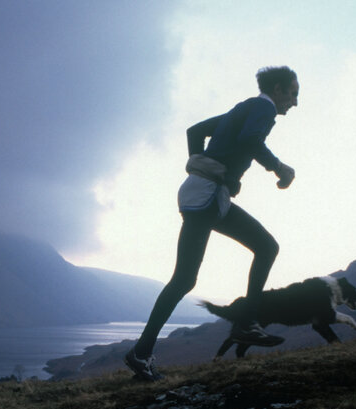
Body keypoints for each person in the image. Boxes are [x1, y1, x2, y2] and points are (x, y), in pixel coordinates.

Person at [125, 65, 299, 381]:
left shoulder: (243, 109)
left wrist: (205, 168)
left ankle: (142, 352)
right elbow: (249, 140)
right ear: (277, 89)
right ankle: (244, 324)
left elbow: (195, 131)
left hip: (207, 196)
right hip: (206, 197)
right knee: (252, 252)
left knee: (196, 274)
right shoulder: (261, 107)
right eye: (293, 93)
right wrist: (278, 167)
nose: (295, 101)